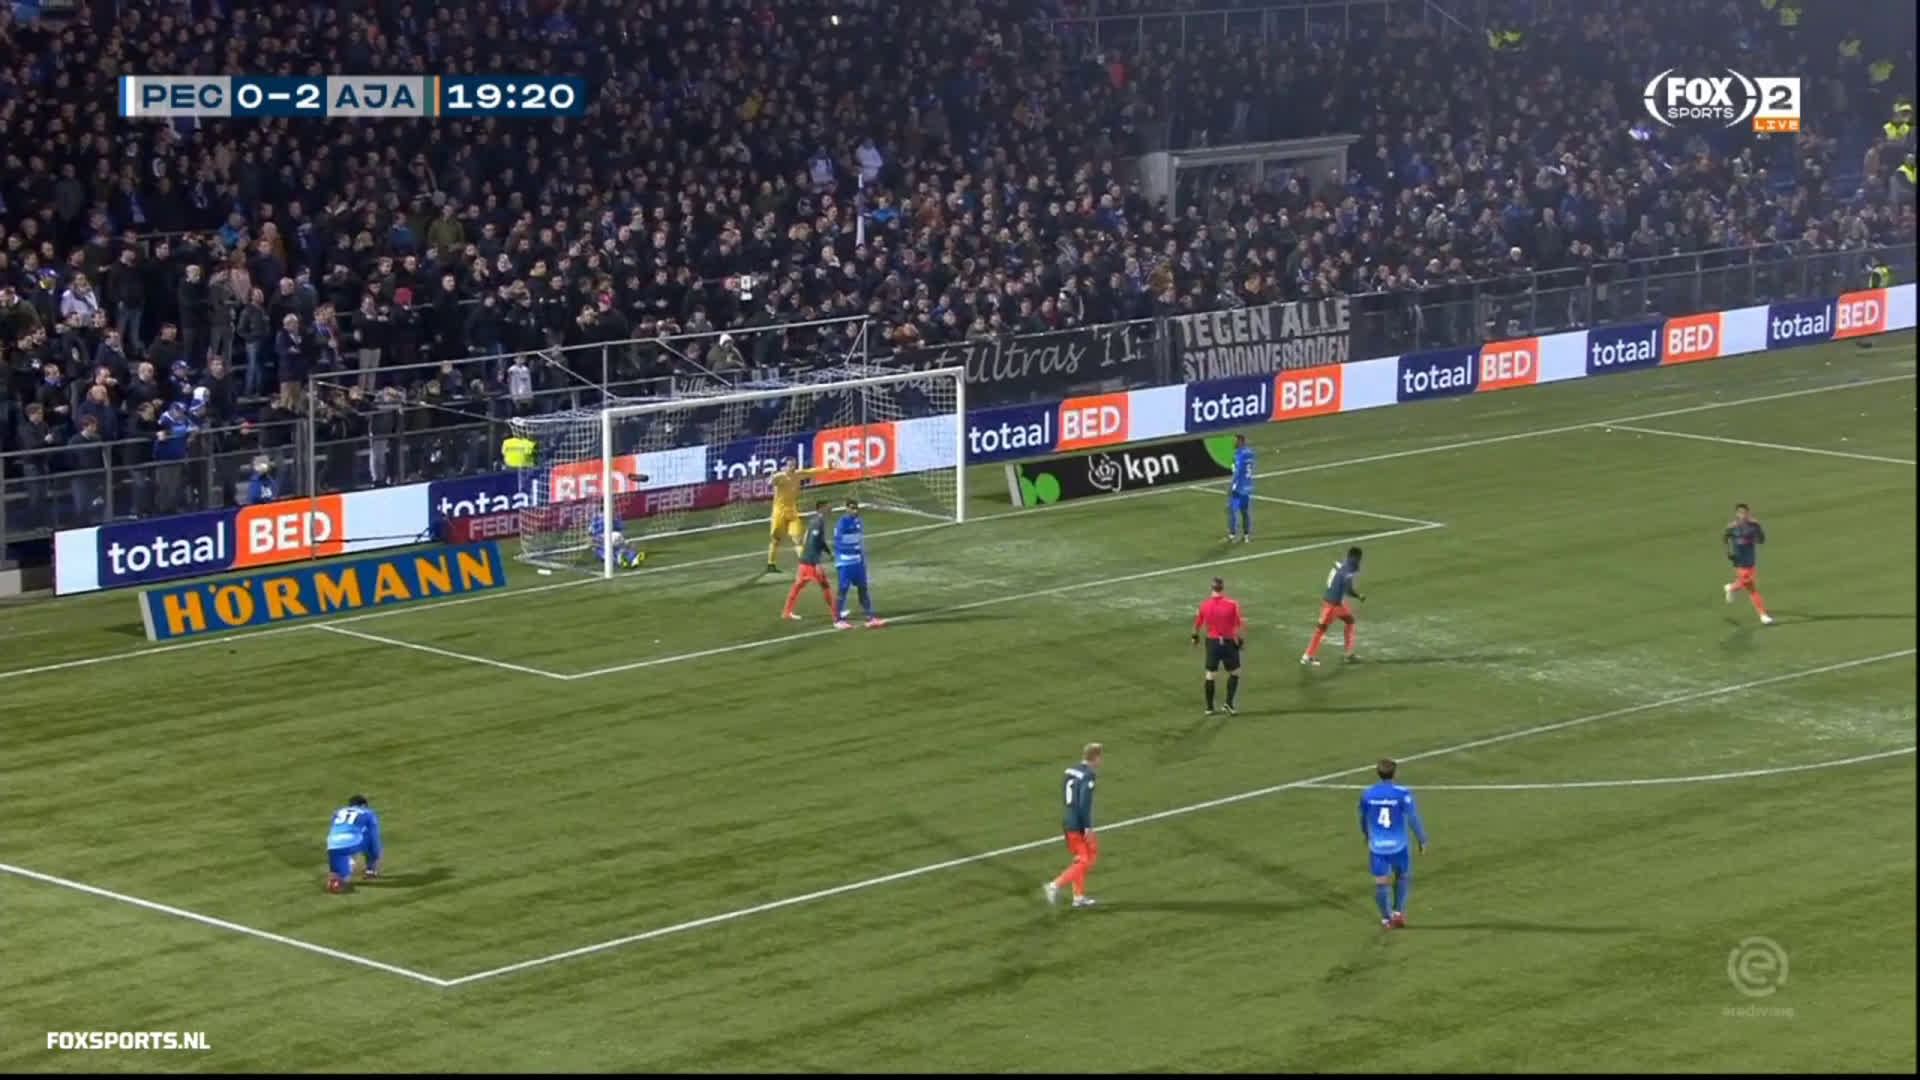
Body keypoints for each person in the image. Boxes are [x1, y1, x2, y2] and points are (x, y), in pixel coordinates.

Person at [1359, 758, 1427, 929]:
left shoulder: (1368, 794)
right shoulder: (1402, 793)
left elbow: (1363, 818)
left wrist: (1366, 834)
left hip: (1378, 847)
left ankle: (1385, 918)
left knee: (1381, 883)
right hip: (1399, 846)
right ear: (1395, 773)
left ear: (1378, 773)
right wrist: (1422, 839)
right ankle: (1397, 912)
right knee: (1402, 876)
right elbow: (1413, 818)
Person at [1044, 742, 1103, 909]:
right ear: (1095, 758)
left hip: (1068, 818)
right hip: (1078, 824)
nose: (1101, 761)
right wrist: (1087, 827)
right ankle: (1054, 885)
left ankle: (1078, 897)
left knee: (1083, 858)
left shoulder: (1070, 770)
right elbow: (1084, 803)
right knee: (1086, 859)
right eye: (1100, 757)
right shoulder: (1089, 775)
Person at [1191, 576, 1246, 715]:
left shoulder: (1204, 605)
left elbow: (1197, 624)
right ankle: (1229, 704)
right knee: (1235, 672)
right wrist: (1240, 641)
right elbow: (1239, 625)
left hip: (1212, 643)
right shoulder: (1232, 604)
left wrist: (1195, 637)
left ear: (1212, 588)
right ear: (1222, 588)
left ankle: (1209, 708)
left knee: (1210, 675)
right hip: (1228, 642)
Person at [765, 455, 829, 572]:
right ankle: (771, 564)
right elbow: (770, 483)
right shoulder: (780, 477)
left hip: (792, 512)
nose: (793, 467)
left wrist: (828, 468)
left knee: (798, 539)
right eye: (790, 465)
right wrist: (771, 478)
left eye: (794, 465)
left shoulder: (797, 474)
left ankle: (806, 564)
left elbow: (811, 472)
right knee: (776, 539)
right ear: (784, 467)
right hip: (779, 513)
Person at [1303, 546, 1365, 665]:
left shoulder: (1341, 564)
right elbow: (1348, 590)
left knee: (1350, 621)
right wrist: (1359, 596)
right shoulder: (1348, 570)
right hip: (1332, 605)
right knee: (1320, 630)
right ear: (1356, 557)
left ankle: (1348, 654)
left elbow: (1333, 580)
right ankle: (1307, 656)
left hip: (1336, 603)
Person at [833, 500, 885, 629]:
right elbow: (838, 544)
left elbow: (859, 543)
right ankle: (838, 620)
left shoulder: (858, 522)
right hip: (845, 563)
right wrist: (851, 549)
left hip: (858, 563)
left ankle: (870, 617)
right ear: (846, 508)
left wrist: (863, 562)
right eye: (852, 508)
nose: (855, 510)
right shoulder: (842, 523)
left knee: (863, 589)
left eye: (856, 508)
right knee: (843, 590)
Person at [782, 500, 837, 620]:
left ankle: (786, 612)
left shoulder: (814, 521)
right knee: (825, 586)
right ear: (821, 508)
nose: (830, 509)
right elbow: (813, 542)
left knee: (797, 586)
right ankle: (836, 614)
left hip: (804, 560)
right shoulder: (818, 522)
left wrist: (829, 552)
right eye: (828, 507)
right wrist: (816, 563)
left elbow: (814, 540)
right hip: (811, 563)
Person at [1723, 503, 1773, 624]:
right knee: (1751, 587)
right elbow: (1725, 539)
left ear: (1748, 513)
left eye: (1745, 513)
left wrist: (1758, 529)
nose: (1743, 515)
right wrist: (1728, 552)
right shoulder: (1732, 528)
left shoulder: (1753, 525)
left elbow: (1761, 540)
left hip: (1751, 560)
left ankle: (1731, 588)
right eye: (1740, 513)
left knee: (1747, 585)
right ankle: (1763, 615)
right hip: (1739, 561)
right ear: (1737, 514)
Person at [325, 795, 383, 894]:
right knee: (369, 839)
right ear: (363, 805)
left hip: (333, 843)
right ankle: (370, 870)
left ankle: (337, 878)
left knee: (340, 876)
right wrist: (375, 856)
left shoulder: (338, 812)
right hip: (351, 842)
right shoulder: (368, 813)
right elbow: (374, 838)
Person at [1225, 434, 1255, 542]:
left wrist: (1231, 486)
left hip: (1238, 487)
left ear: (1241, 441)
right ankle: (1246, 535)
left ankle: (1232, 535)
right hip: (1248, 486)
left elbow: (1238, 473)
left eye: (1236, 441)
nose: (1234, 443)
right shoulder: (1250, 453)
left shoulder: (1239, 454)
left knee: (1231, 510)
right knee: (1245, 511)